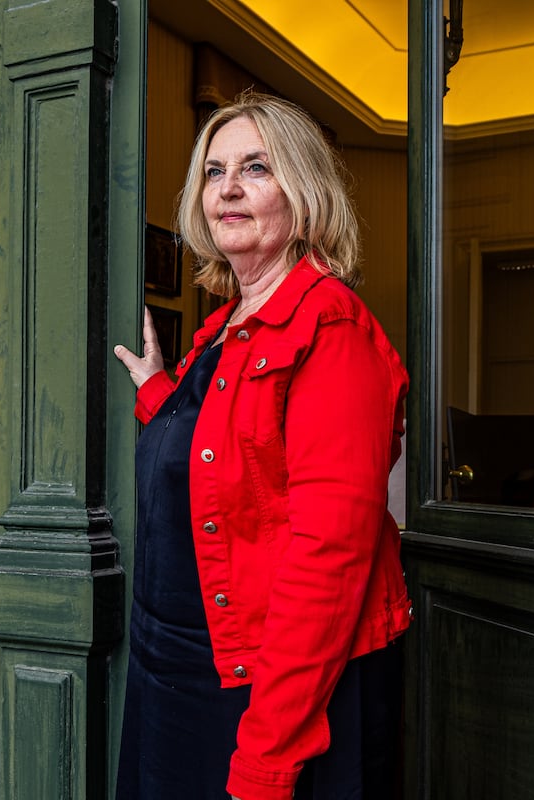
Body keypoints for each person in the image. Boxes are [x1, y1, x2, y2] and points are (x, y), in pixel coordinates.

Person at [113, 92, 411, 800]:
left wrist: (269, 757)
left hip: (269, 689)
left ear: (303, 193)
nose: (228, 188)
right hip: (177, 665)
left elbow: (328, 559)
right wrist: (159, 393)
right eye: (214, 172)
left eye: (256, 167)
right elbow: (227, 457)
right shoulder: (224, 328)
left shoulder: (331, 328)